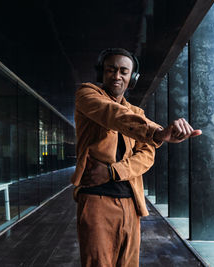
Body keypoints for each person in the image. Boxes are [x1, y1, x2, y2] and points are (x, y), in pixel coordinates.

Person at [71, 48, 201, 267]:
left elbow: (147, 155)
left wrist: (114, 171)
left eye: (124, 71)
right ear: (102, 72)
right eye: (111, 70)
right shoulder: (87, 94)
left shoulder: (137, 113)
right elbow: (113, 115)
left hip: (131, 203)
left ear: (133, 78)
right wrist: (159, 133)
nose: (117, 76)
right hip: (96, 199)